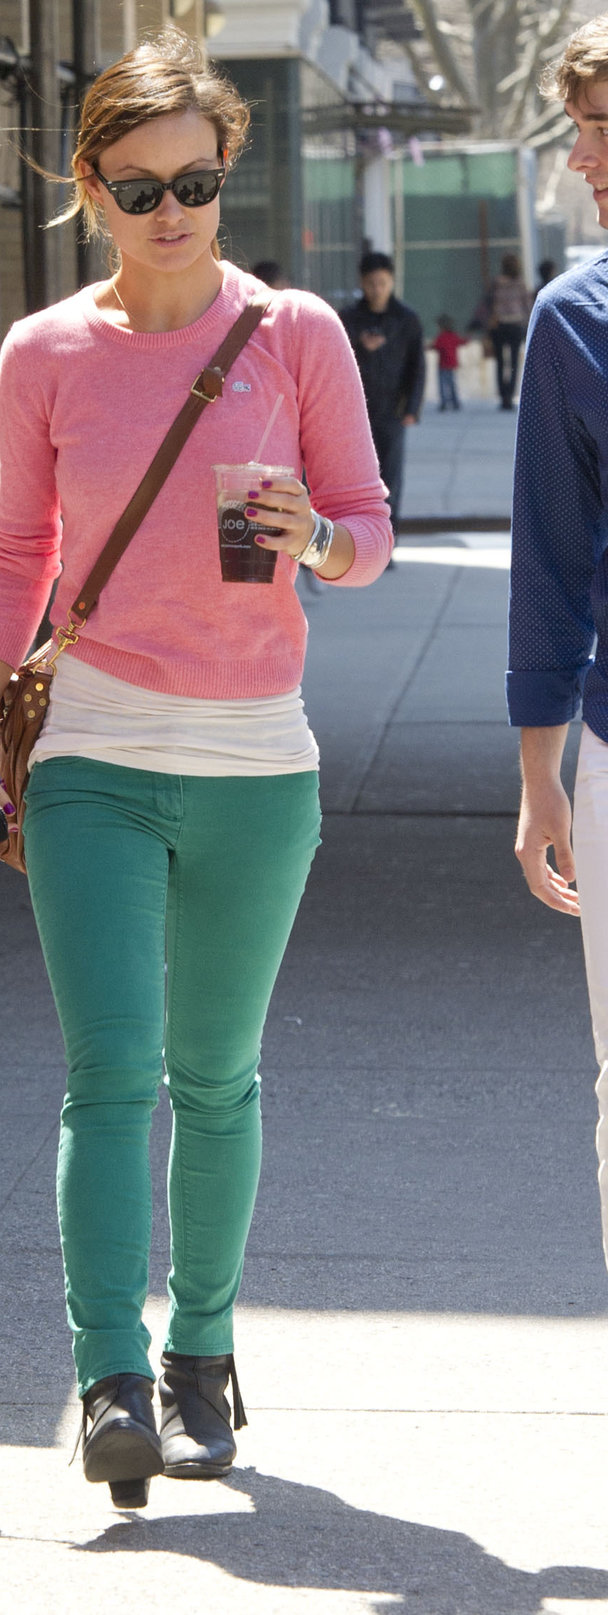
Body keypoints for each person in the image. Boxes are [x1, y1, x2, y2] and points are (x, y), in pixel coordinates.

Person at [0, 31, 393, 1509]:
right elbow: (18, 552)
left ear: (226, 174)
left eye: (198, 180)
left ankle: (203, 1357)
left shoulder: (299, 334)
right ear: (91, 190)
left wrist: (310, 539)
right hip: (95, 759)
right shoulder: (45, 352)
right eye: (140, 189)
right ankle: (108, 1378)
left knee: (216, 1076)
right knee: (110, 1071)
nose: (175, 210)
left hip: (260, 760)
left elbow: (368, 530)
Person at [509, 13, 608, 1273]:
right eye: (581, 129)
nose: (586, 158)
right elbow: (552, 563)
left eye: (603, 130)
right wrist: (543, 770)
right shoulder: (572, 320)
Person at [341, 251, 423, 538]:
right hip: (355, 412)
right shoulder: (348, 318)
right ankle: (357, 538)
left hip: (393, 411)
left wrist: (412, 407)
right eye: (372, 283)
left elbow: (417, 367)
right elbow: (336, 363)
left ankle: (387, 540)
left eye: (383, 283)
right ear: (362, 283)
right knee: (355, 478)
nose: (378, 289)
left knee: (390, 479)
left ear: (392, 282)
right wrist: (363, 348)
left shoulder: (406, 319)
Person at [486, 252, 534, 409]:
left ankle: (503, 397)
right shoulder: (520, 283)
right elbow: (527, 306)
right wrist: (529, 324)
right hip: (516, 325)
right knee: (513, 362)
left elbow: (489, 304)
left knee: (500, 362)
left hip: (499, 325)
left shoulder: (496, 283)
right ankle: (510, 396)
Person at [430, 313, 465, 411]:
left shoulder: (441, 337)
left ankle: (444, 402)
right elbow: (462, 341)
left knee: (442, 385)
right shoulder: (453, 336)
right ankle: (455, 402)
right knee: (452, 384)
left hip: (443, 365)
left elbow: (435, 346)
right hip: (452, 364)